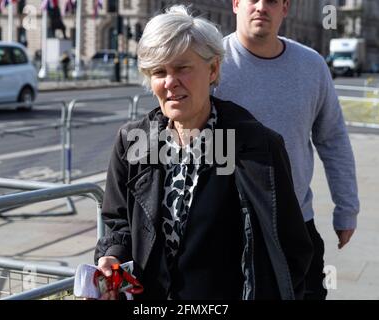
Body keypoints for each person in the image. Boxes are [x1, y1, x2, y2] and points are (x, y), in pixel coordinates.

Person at [94, 5, 313, 300]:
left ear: (213, 69)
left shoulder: (257, 145)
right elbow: (117, 222)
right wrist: (113, 256)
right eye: (159, 71)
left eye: (183, 67)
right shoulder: (133, 142)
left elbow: (290, 248)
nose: (171, 82)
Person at [214, 0, 360, 300]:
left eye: (271, 1)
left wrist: (347, 208)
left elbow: (332, 139)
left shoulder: (311, 65)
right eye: (252, 0)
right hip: (224, 226)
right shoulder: (210, 62)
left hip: (295, 225)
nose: (260, 7)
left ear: (285, 8)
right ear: (236, 4)